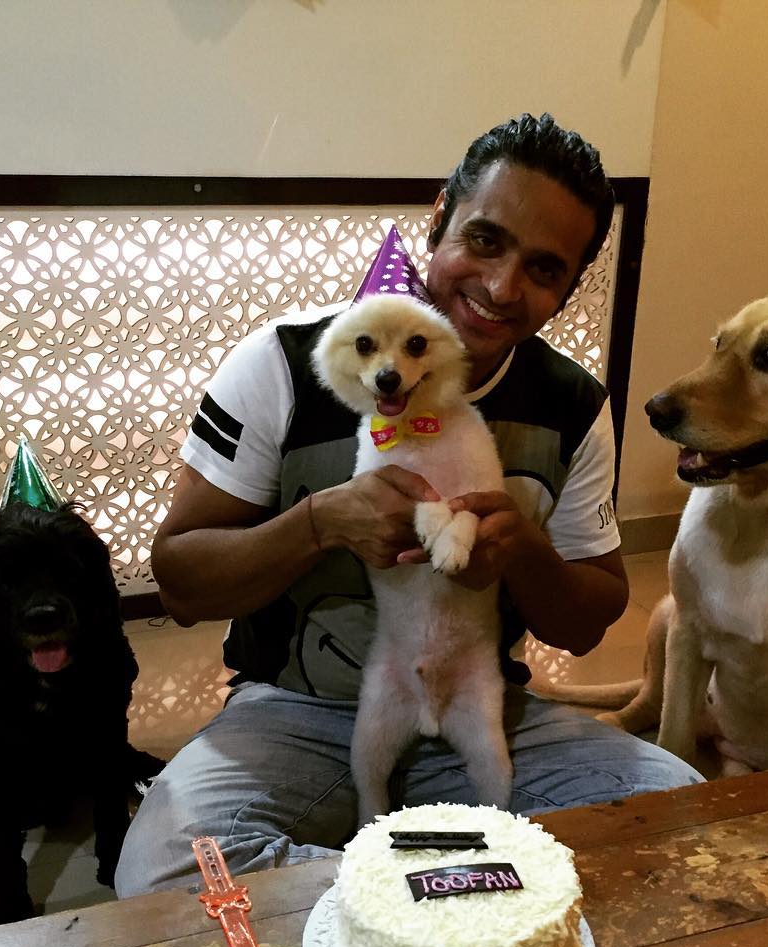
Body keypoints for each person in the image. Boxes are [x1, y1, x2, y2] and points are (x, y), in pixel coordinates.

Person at [115, 113, 703, 896]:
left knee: (678, 816)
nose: (501, 288)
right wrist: (320, 522)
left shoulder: (571, 404)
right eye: (485, 240)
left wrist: (523, 551)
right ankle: (463, 885)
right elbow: (182, 585)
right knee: (166, 869)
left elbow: (585, 623)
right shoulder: (284, 363)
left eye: (543, 269)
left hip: (481, 695)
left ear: (568, 289)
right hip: (295, 711)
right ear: (440, 217)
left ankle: (389, 888)